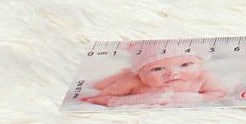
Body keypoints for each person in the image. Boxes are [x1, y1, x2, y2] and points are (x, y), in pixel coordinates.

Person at [79, 46, 226, 106]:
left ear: (201, 63)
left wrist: (193, 98)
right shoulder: (133, 81)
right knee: (99, 85)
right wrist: (138, 99)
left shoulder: (204, 77)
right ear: (139, 72)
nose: (173, 73)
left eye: (185, 64)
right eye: (157, 69)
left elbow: (220, 93)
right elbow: (99, 98)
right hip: (126, 76)